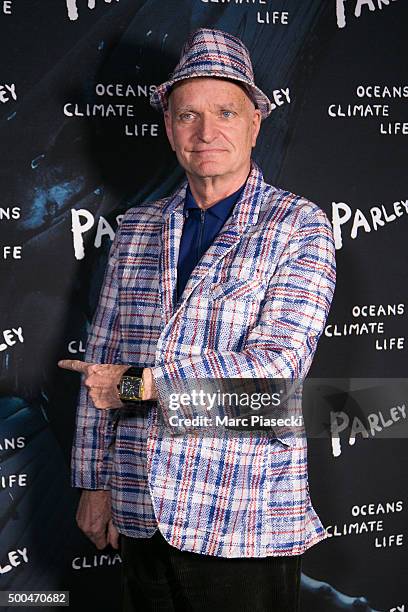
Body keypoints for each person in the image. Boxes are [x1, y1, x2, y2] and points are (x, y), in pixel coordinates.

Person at [59, 28, 336, 612]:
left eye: (225, 112)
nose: (206, 132)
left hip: (243, 516)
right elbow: (100, 360)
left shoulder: (299, 226)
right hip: (141, 512)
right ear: (168, 127)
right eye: (188, 115)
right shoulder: (136, 229)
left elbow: (276, 371)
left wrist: (141, 383)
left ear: (255, 124)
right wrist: (95, 483)